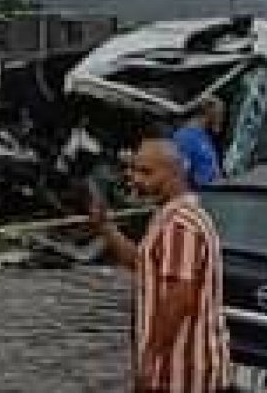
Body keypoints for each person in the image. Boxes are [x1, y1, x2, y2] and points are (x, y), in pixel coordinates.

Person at [90, 137, 230, 392]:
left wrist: (149, 360)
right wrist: (105, 227)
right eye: (133, 169)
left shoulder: (179, 225)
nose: (134, 179)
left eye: (145, 172)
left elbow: (179, 297)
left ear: (174, 174)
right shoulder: (167, 215)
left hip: (180, 375)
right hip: (170, 371)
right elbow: (142, 263)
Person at [173, 97, 225, 188]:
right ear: (209, 112)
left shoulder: (205, 136)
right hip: (201, 195)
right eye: (220, 114)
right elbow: (181, 173)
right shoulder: (185, 137)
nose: (221, 120)